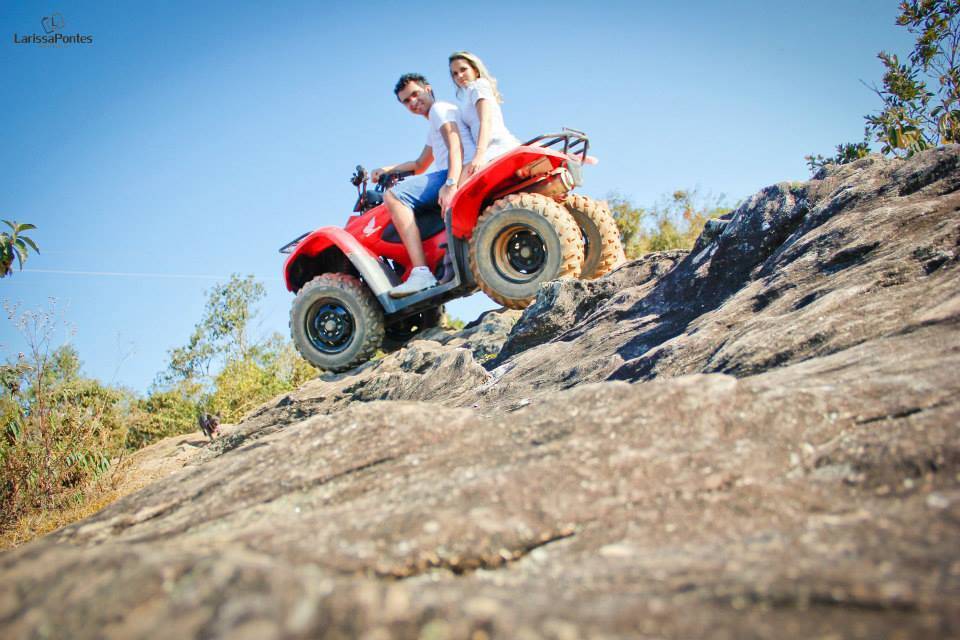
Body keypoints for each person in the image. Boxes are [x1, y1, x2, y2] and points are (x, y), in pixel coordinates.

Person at [372, 73, 476, 298]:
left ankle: (421, 272)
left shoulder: (439, 109)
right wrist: (388, 169)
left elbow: (455, 145)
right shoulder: (436, 119)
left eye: (414, 94)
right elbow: (420, 165)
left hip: (457, 168)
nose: (412, 102)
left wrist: (451, 182)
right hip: (454, 167)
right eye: (406, 101)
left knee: (394, 197)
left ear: (427, 89)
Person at [448, 51, 520, 182]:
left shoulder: (478, 86)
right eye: (455, 73)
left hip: (495, 147)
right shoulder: (470, 94)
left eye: (463, 69)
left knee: (459, 187)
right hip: (488, 148)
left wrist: (479, 154)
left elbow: (485, 120)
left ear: (475, 70)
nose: (459, 75)